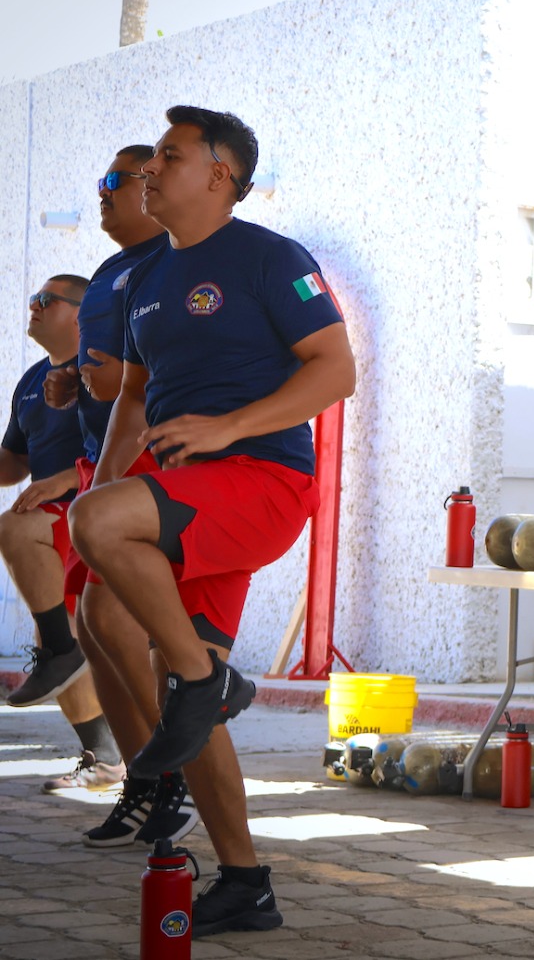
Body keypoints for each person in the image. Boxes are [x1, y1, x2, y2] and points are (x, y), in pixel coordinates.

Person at [70, 105, 355, 936]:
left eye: (169, 155)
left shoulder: (270, 257)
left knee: (166, 652)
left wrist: (228, 429)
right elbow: (129, 394)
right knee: (109, 615)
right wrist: (116, 488)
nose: (148, 169)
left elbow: (336, 370)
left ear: (219, 176)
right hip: (182, 484)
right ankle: (245, 881)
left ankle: (202, 681)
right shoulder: (149, 276)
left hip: (260, 478)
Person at [42, 145, 204, 847]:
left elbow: (138, 384)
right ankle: (143, 778)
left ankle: (172, 777)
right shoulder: (112, 272)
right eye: (100, 179)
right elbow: (105, 378)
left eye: (116, 180)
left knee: (114, 617)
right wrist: (71, 380)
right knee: (93, 627)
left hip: (156, 469)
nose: (102, 191)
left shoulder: (178, 264)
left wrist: (103, 383)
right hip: (99, 464)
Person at [0, 275, 122, 791]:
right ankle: (107, 761)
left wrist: (68, 477)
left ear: (79, 313)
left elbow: (129, 439)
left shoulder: (106, 371)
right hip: (55, 517)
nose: (33, 306)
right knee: (61, 642)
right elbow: (13, 464)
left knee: (12, 527)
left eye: (46, 300)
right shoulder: (31, 380)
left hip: (94, 512)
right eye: (32, 299)